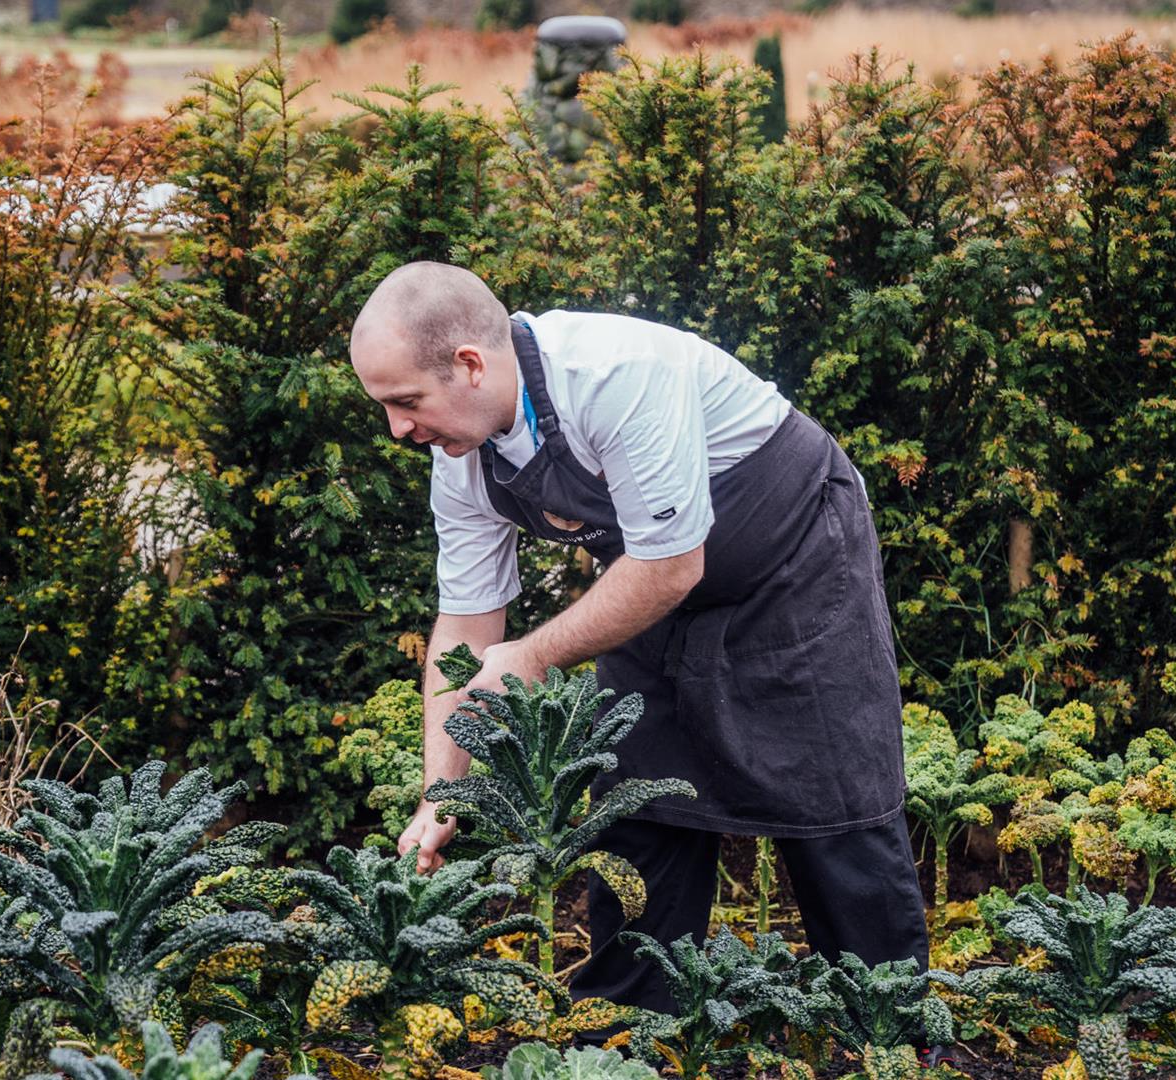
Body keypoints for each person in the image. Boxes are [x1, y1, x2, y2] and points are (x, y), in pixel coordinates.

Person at [347, 260, 930, 1018]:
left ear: (468, 365)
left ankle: (891, 1025)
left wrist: (533, 655)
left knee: (834, 800)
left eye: (405, 402)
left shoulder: (615, 376)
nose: (397, 428)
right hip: (651, 589)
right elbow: (464, 627)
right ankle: (626, 1034)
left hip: (791, 564)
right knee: (635, 799)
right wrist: (440, 793)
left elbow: (670, 566)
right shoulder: (462, 456)